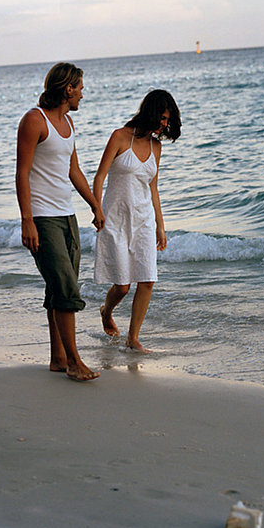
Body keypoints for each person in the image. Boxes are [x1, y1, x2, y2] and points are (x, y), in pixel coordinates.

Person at [16, 62, 105, 381]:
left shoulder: (67, 123)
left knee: (58, 287)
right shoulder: (33, 120)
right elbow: (22, 173)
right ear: (68, 89)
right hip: (42, 216)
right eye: (80, 87)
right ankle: (73, 361)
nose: (83, 93)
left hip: (66, 216)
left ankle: (57, 357)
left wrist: (95, 205)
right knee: (66, 287)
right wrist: (28, 221)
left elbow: (74, 171)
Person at [93, 89, 181, 353]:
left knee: (147, 279)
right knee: (122, 284)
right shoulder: (120, 137)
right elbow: (99, 177)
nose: (165, 124)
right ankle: (106, 311)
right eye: (163, 117)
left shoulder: (157, 146)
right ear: (151, 112)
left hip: (143, 219)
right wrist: (96, 208)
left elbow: (153, 188)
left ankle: (133, 339)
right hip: (116, 218)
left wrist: (161, 226)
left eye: (168, 120)